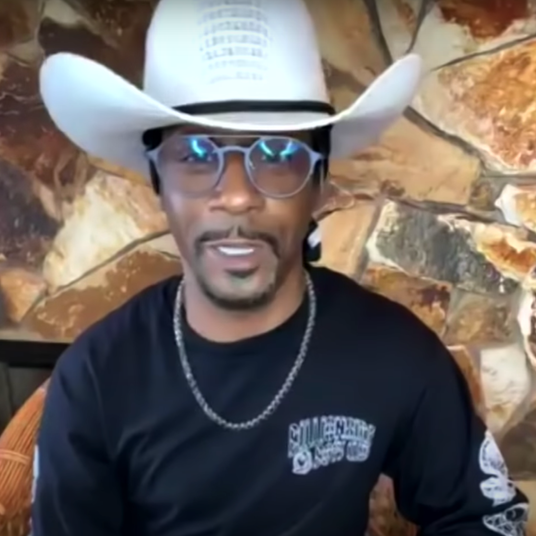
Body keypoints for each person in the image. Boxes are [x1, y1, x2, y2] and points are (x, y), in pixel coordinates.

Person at [31, 1, 528, 535]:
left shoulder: (394, 353)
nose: (237, 196)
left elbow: (484, 519)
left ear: (318, 183)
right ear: (158, 181)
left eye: (275, 154)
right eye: (196, 154)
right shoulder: (97, 378)